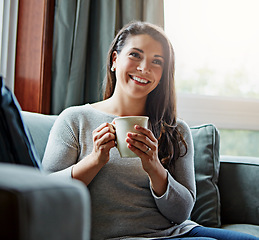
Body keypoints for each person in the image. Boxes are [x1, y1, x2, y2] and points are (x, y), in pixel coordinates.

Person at [42, 21, 259, 240]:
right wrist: (95, 160)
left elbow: (181, 213)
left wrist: (154, 167)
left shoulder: (176, 130)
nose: (145, 68)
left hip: (176, 232)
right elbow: (44, 192)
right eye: (135, 55)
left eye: (157, 61)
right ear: (115, 60)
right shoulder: (75, 119)